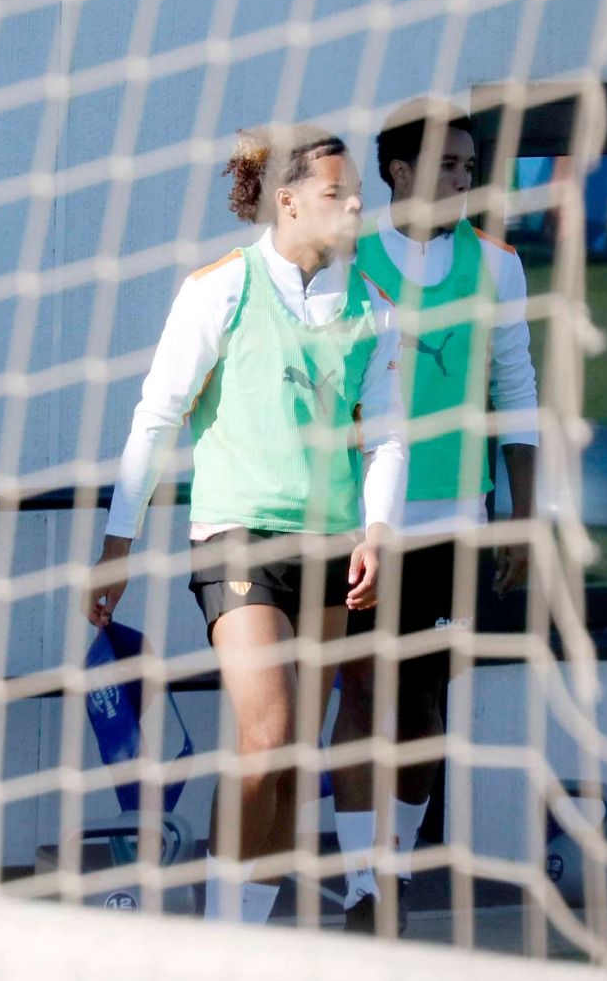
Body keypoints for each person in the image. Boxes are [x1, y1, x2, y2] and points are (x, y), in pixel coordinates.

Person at [82, 125, 407, 926]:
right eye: (337, 193)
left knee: (295, 760)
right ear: (287, 201)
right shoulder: (220, 289)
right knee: (269, 732)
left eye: (358, 191)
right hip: (237, 537)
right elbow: (156, 417)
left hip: (332, 545)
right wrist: (116, 548)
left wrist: (377, 531)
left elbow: (392, 433)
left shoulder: (375, 307)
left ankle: (244, 937)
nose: (356, 204)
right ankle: (215, 942)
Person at [329, 98, 539, 934]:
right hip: (362, 520)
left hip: (457, 520)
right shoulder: (351, 258)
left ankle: (399, 867)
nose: (464, 178)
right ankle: (360, 889)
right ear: (400, 173)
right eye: (449, 164)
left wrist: (520, 515)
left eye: (470, 164)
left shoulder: (498, 266)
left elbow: (516, 388)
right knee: (362, 689)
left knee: (420, 705)